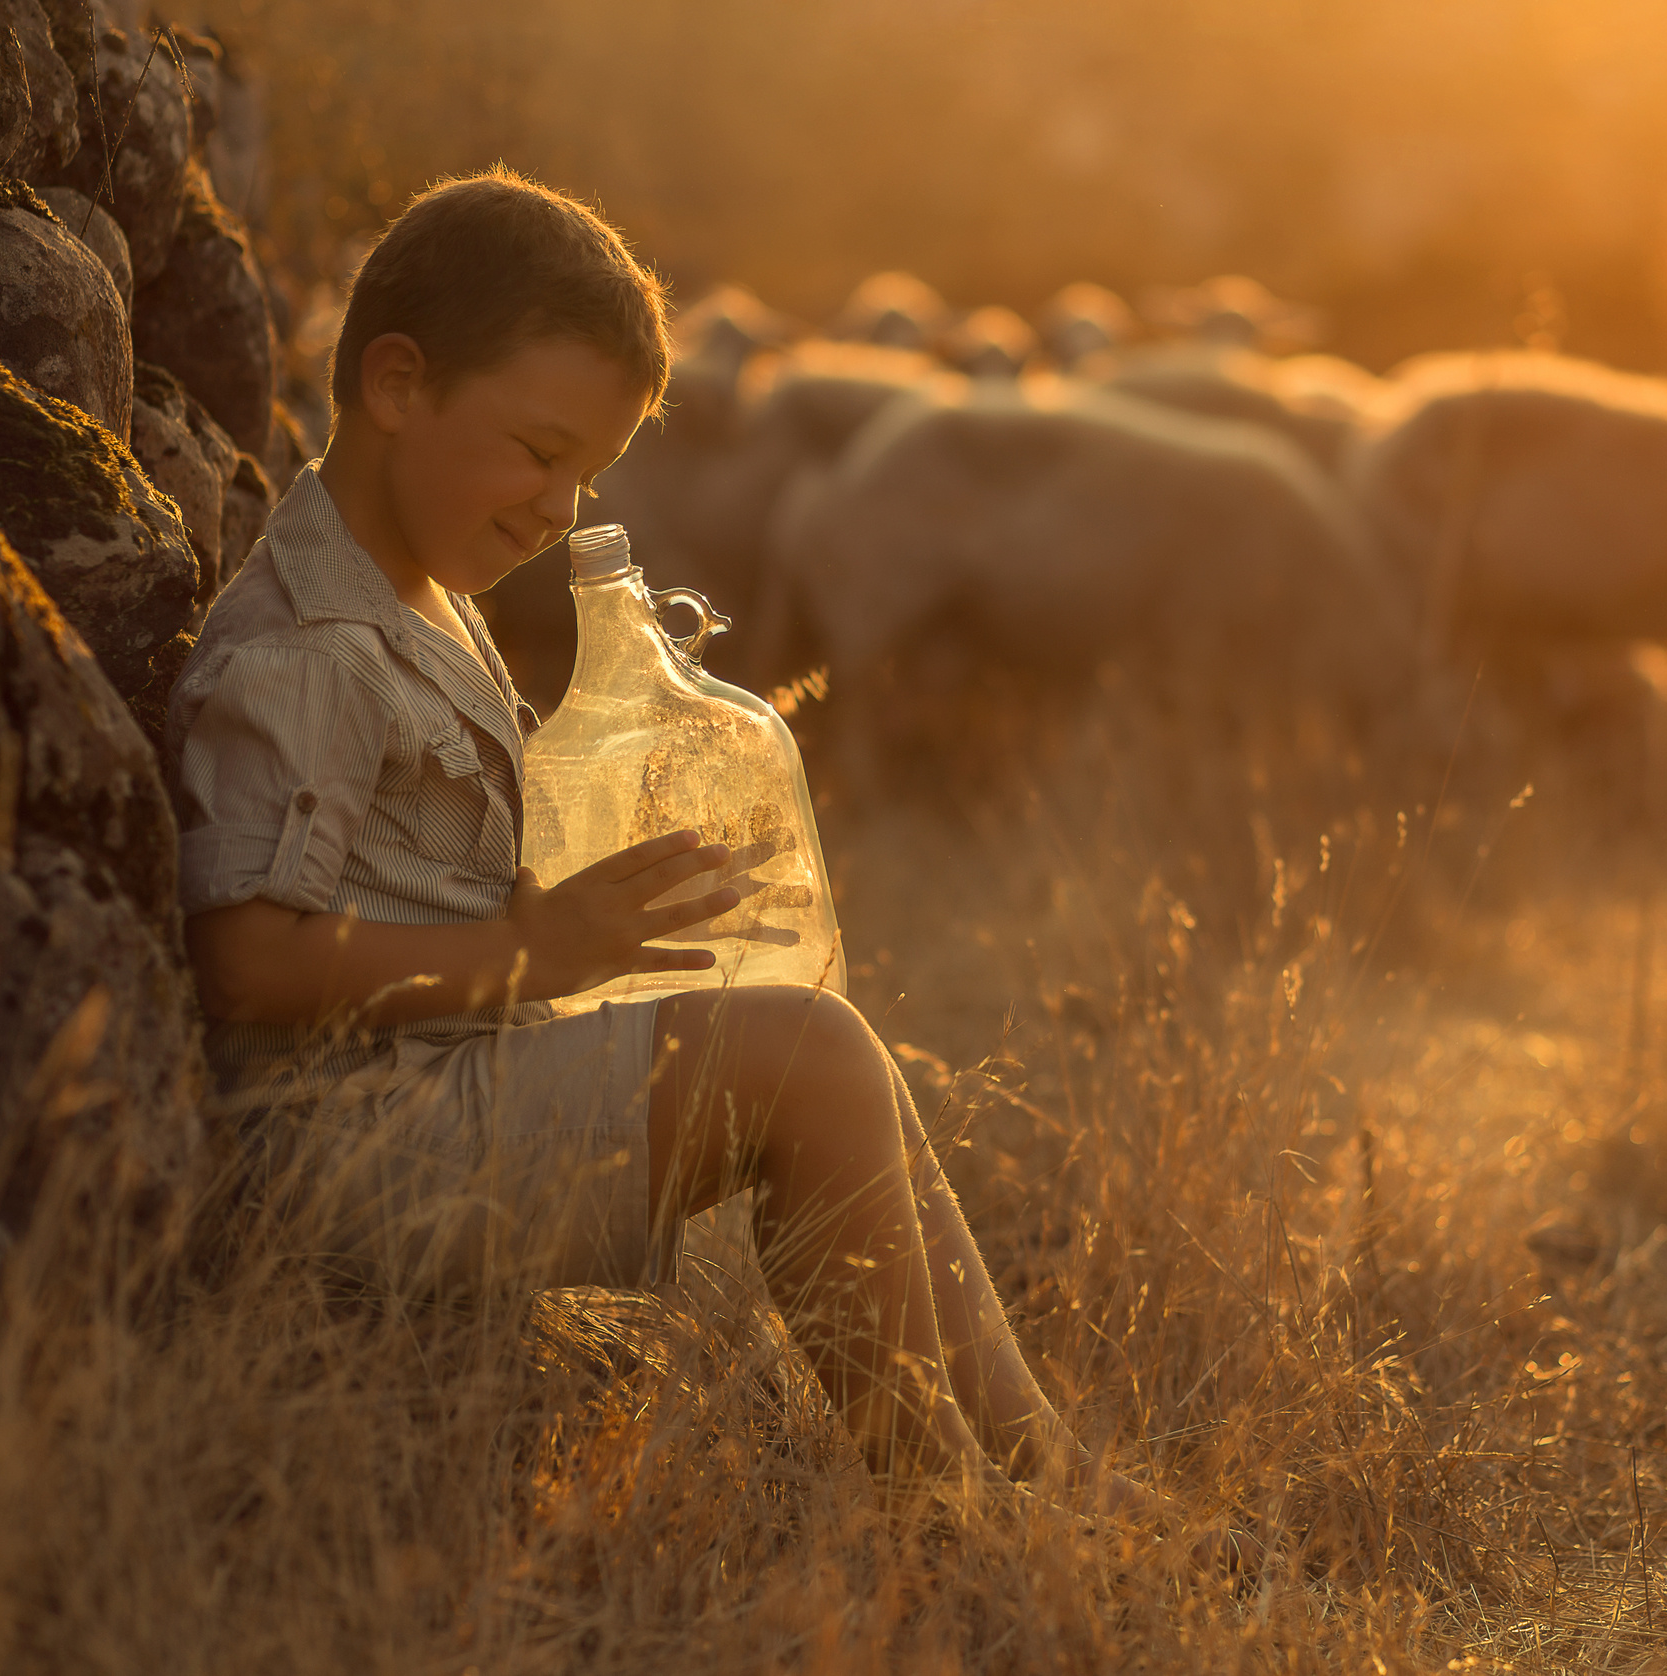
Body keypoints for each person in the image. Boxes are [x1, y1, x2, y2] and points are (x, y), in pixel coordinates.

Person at [166, 169, 1172, 1525]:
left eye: (585, 475)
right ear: (398, 385)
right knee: (801, 1064)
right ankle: (962, 1509)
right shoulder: (311, 645)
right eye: (537, 451)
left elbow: (408, 861)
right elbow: (244, 960)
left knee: (827, 1050)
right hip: (352, 1147)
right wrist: (532, 949)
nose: (557, 513)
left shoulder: (423, 596)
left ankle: (1050, 1470)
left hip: (437, 1079)